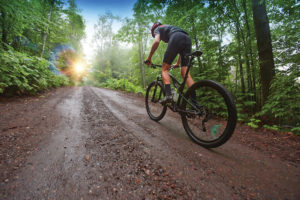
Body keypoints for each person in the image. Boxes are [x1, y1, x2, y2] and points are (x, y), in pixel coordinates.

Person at [145, 22, 195, 104]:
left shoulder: (157, 29)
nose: (162, 40)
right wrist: (178, 63)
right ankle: (195, 103)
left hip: (176, 37)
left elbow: (156, 41)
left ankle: (168, 95)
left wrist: (149, 58)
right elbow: (180, 50)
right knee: (185, 73)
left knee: (164, 69)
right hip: (187, 38)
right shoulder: (170, 28)